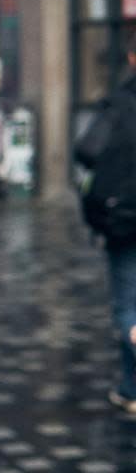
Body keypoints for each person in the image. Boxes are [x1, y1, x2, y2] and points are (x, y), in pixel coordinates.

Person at [73, 65, 136, 414]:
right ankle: (130, 388)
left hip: (125, 217)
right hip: (126, 218)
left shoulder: (119, 105)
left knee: (128, 306)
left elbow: (86, 150)